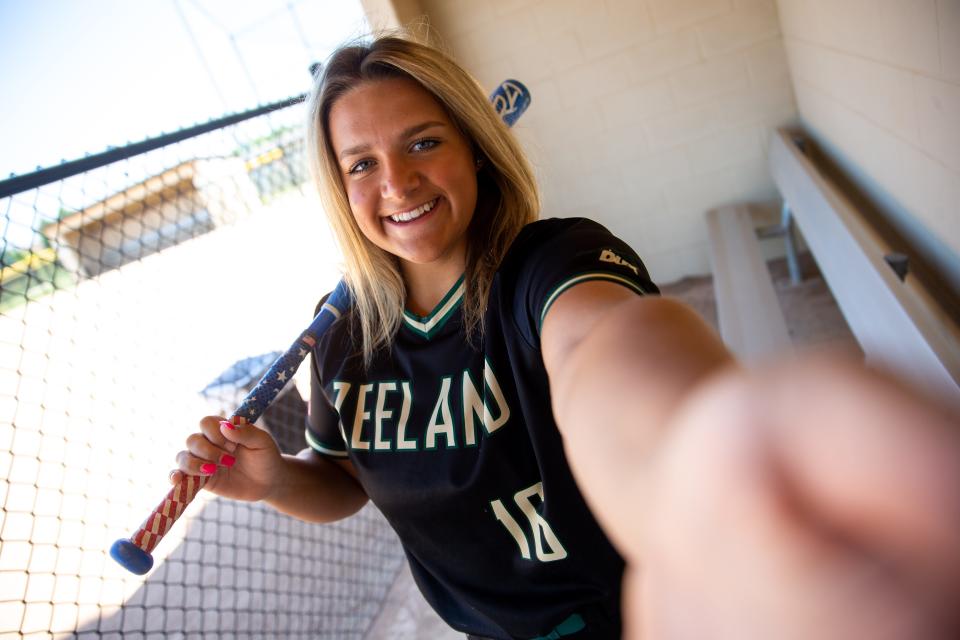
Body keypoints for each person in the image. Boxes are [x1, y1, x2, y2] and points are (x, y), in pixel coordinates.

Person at [171, 34, 960, 639]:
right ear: (339, 189)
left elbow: (602, 348)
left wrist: (698, 452)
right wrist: (276, 481)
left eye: (422, 142)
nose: (397, 184)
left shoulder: (552, 263)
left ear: (474, 146)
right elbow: (342, 479)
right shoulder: (344, 336)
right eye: (361, 164)